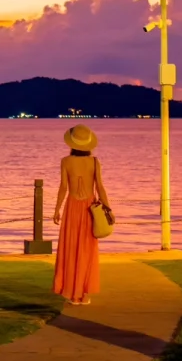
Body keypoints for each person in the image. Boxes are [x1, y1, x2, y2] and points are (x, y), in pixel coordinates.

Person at [53, 124, 110, 305]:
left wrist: (57, 209)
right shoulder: (94, 162)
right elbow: (100, 187)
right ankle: (84, 294)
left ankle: (72, 293)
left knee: (71, 248)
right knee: (86, 249)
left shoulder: (66, 161)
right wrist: (107, 207)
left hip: (72, 207)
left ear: (72, 143)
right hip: (89, 208)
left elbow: (63, 187)